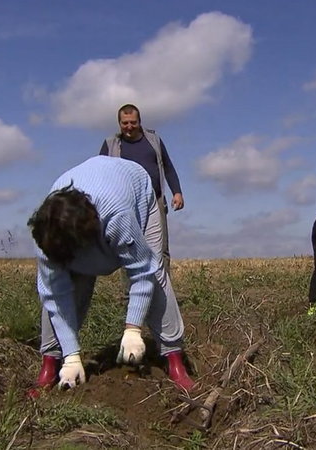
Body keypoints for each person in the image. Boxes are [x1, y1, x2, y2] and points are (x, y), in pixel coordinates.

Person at [29, 155, 194, 393]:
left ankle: (174, 359)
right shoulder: (46, 234)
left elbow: (141, 272)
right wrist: (72, 356)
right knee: (63, 290)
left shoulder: (117, 216)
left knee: (155, 273)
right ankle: (51, 364)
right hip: (85, 229)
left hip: (134, 189)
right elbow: (55, 297)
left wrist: (133, 329)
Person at [100, 104, 184, 273]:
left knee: (161, 248)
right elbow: (100, 172)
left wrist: (177, 192)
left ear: (140, 121)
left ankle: (162, 295)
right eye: (125, 123)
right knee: (128, 248)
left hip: (155, 198)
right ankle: (131, 295)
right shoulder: (111, 144)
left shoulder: (154, 140)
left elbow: (167, 166)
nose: (129, 127)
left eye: (133, 122)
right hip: (125, 203)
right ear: (119, 123)